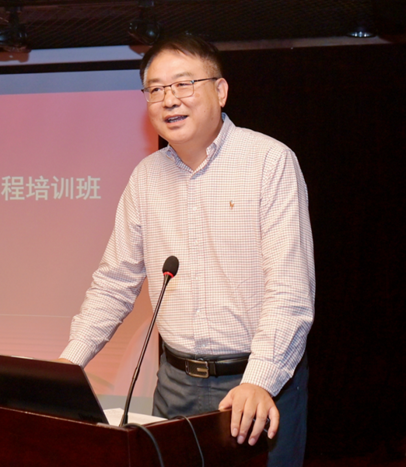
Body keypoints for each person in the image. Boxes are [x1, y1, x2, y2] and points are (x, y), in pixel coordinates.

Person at [57, 35, 315, 467]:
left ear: (221, 90)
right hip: (175, 385)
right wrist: (70, 363)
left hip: (256, 386)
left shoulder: (269, 162)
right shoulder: (146, 178)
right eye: (156, 89)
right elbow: (115, 283)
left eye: (183, 84)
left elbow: (290, 290)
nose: (169, 99)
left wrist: (260, 380)